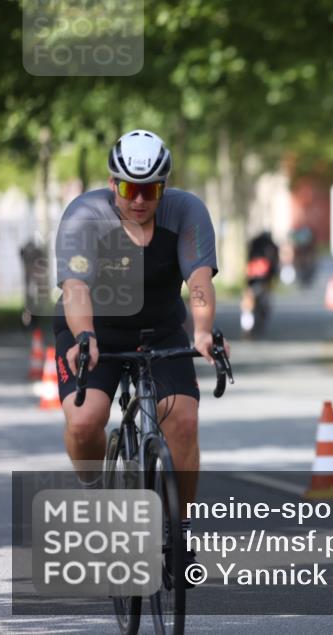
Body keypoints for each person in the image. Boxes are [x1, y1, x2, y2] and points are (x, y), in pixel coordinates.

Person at [53, 128, 225, 575]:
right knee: (85, 420)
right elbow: (74, 287)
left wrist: (203, 332)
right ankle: (95, 497)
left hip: (161, 330)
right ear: (114, 184)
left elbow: (200, 284)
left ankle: (180, 529)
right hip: (94, 329)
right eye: (129, 188)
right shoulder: (84, 215)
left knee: (183, 421)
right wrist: (84, 336)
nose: (140, 200)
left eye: (151, 190)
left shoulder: (186, 212)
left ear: (164, 187)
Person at [241, 231, 280, 336]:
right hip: (264, 280)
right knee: (263, 301)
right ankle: (254, 324)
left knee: (248, 302)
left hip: (253, 279)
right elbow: (274, 267)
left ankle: (247, 327)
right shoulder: (271, 248)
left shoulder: (253, 248)